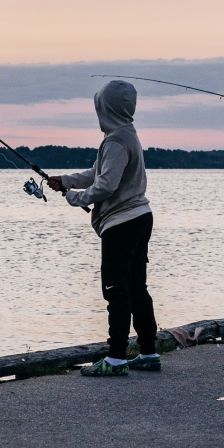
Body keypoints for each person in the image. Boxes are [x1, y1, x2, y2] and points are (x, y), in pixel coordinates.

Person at [46, 79, 161, 376]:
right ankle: (148, 352)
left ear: (106, 108)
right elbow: (96, 174)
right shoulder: (125, 135)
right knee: (137, 288)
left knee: (116, 290)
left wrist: (76, 198)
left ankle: (116, 358)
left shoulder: (116, 141)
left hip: (122, 224)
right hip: (139, 218)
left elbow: (105, 186)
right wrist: (67, 181)